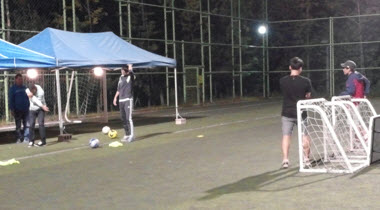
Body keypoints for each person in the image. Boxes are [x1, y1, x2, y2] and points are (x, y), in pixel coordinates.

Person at [280, 57, 312, 169]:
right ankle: (306, 159)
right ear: (301, 68)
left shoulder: (283, 80)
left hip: (287, 112)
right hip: (301, 112)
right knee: (305, 136)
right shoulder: (305, 81)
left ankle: (285, 160)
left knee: (286, 136)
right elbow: (308, 96)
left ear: (290, 67)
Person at [113, 64, 135, 142]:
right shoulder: (121, 78)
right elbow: (118, 89)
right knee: (123, 119)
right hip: (121, 100)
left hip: (128, 99)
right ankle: (127, 134)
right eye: (121, 70)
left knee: (129, 118)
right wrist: (115, 98)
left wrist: (130, 66)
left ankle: (132, 136)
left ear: (126, 71)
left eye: (123, 70)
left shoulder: (130, 77)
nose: (121, 72)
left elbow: (131, 72)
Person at [9, 73, 30, 144]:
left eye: (21, 79)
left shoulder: (25, 88)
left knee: (27, 124)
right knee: (18, 126)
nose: (21, 81)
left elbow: (29, 97)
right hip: (17, 110)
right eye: (19, 79)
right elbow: (11, 100)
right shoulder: (12, 89)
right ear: (15, 80)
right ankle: (19, 138)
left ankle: (26, 138)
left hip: (26, 110)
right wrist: (11, 109)